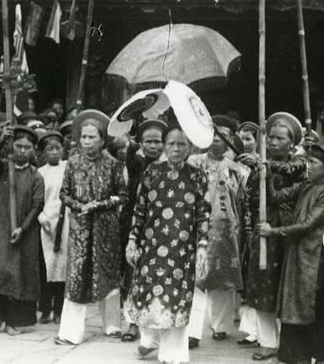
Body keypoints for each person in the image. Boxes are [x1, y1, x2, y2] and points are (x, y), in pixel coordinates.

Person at [125, 126, 210, 364]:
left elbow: (204, 212)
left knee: (176, 296)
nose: (176, 148)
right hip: (151, 246)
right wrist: (132, 240)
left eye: (181, 144)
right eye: (171, 144)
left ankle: (173, 354)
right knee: (149, 292)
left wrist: (203, 244)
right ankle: (149, 341)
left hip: (182, 249)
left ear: (190, 148)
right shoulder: (152, 171)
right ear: (164, 146)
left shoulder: (197, 175)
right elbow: (140, 209)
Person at [258, 143, 324, 364]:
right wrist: (266, 176)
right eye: (308, 161)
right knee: (294, 307)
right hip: (297, 255)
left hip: (315, 259)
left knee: (314, 309)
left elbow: (307, 225)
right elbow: (275, 197)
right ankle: (295, 357)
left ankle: (320, 356)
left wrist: (272, 231)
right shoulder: (305, 186)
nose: (308, 166)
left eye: (313, 163)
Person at [237, 112, 306, 361]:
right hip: (263, 232)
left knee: (286, 288)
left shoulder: (301, 164)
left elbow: (292, 172)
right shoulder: (258, 168)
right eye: (271, 138)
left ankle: (288, 341)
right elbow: (250, 200)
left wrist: (264, 165)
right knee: (262, 285)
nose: (274, 143)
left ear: (292, 143)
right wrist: (248, 231)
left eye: (280, 138)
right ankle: (268, 342)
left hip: (288, 233)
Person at [55, 110, 128, 345]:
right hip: (80, 227)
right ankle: (70, 333)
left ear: (103, 140)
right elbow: (64, 194)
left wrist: (102, 204)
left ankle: (112, 325)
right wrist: (80, 206)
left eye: (92, 137)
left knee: (108, 272)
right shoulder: (73, 164)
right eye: (83, 137)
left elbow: (122, 196)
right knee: (77, 276)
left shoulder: (114, 165)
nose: (87, 142)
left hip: (106, 227)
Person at [0, 124, 45, 336]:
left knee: (20, 275)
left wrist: (22, 229)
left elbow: (37, 205)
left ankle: (15, 321)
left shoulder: (36, 176)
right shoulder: (4, 168)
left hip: (25, 232)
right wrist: (1, 140)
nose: (22, 151)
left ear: (33, 150)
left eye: (27, 147)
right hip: (1, 229)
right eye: (18, 146)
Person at [187, 116, 247, 346]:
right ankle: (193, 331)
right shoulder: (194, 162)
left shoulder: (237, 169)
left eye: (223, 137)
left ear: (231, 140)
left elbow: (240, 201)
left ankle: (220, 326)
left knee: (223, 277)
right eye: (213, 135)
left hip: (227, 230)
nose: (216, 141)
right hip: (199, 227)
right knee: (197, 277)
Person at [121, 118, 168, 343]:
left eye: (157, 141)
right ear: (141, 143)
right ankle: (131, 322)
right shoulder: (136, 163)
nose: (153, 146)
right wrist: (131, 147)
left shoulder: (171, 165)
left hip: (162, 226)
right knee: (133, 273)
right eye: (148, 141)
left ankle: (155, 322)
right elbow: (130, 158)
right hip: (136, 225)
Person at [37, 131, 69, 325]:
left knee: (62, 269)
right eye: (50, 149)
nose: (55, 152)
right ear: (44, 152)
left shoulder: (68, 168)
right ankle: (45, 310)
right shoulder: (40, 172)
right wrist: (41, 218)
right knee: (45, 269)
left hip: (66, 223)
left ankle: (59, 310)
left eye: (58, 148)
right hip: (46, 224)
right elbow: (37, 200)